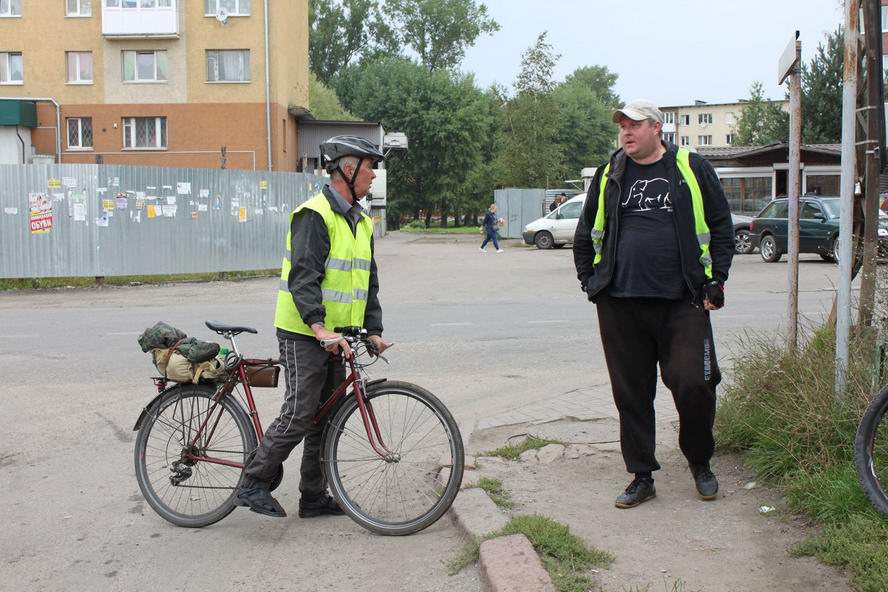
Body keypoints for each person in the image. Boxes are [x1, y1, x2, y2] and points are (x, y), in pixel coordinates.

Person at [573, 99, 734, 509]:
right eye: (622, 126)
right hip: (620, 302)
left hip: (684, 301)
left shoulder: (691, 168)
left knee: (695, 384)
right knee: (631, 393)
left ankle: (700, 462)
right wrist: (590, 281)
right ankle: (641, 475)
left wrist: (716, 279)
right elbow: (586, 228)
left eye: (634, 125)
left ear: (656, 129)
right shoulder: (612, 172)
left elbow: (720, 226)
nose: (626, 132)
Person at [237, 135, 390, 518]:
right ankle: (252, 482)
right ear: (347, 169)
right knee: (301, 411)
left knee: (327, 416)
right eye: (369, 167)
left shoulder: (361, 222)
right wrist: (319, 326)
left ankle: (313, 496)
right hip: (304, 331)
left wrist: (372, 329)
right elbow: (303, 278)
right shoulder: (314, 214)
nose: (374, 175)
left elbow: (366, 281)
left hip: (335, 335)